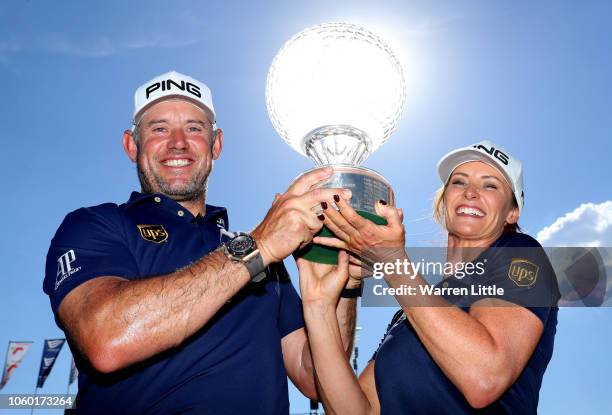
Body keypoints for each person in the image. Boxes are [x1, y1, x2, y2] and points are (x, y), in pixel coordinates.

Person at [43, 70, 358, 415]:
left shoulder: (265, 259)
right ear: (131, 145)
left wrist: (341, 288)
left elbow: (314, 379)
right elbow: (106, 340)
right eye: (159, 128)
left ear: (216, 144)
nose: (178, 142)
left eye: (194, 128)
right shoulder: (96, 224)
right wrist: (258, 246)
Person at [298, 140, 559, 414]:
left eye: (490, 185)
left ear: (512, 212)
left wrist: (391, 262)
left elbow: (485, 378)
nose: (471, 192)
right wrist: (319, 306)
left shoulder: (521, 252)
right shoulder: (409, 314)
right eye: (458, 182)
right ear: (444, 201)